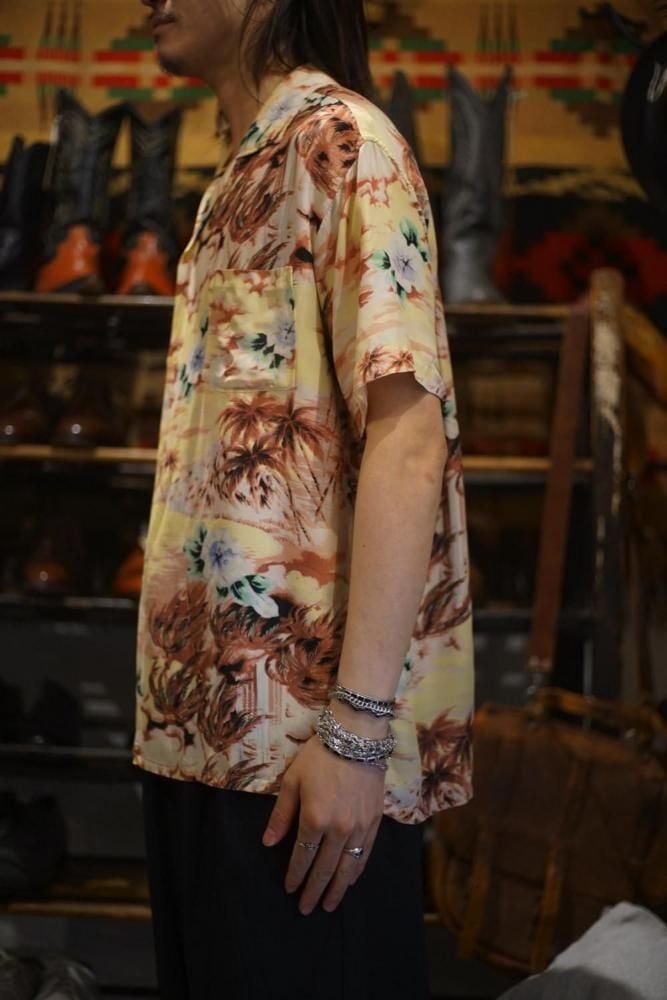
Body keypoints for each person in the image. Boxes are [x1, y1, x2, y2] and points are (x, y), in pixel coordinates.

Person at [134, 2, 474, 997]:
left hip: (301, 754)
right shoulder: (247, 163)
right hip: (206, 732)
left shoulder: (342, 141)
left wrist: (356, 734)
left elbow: (407, 437)